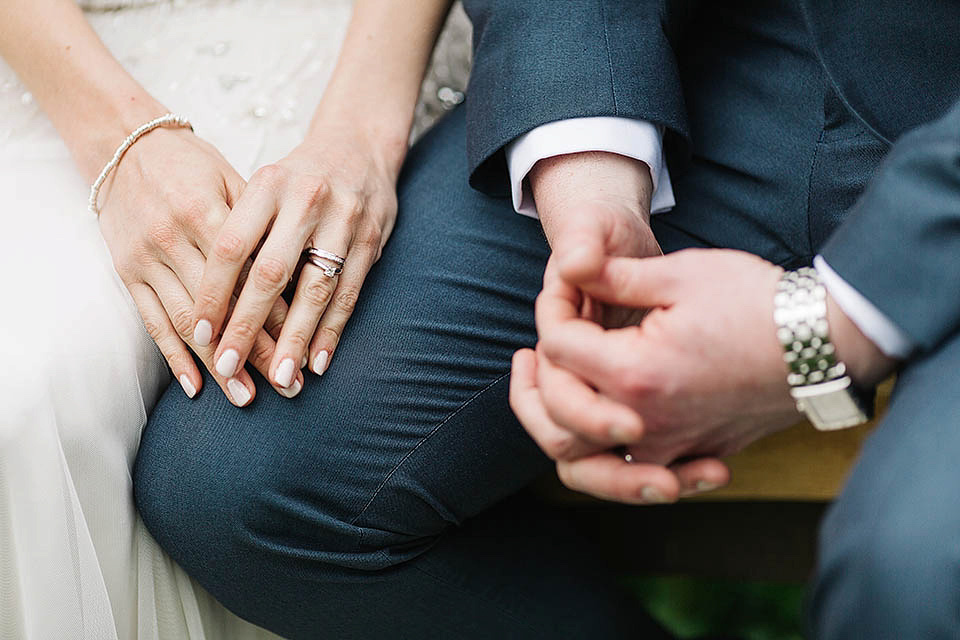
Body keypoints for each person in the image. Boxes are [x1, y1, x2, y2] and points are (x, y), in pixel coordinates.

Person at [0, 0, 467, 637]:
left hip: (344, 52)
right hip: (51, 58)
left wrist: (362, 131)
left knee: (41, 397)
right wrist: (124, 143)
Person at [507, 2, 960, 639]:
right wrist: (592, 196)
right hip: (709, 62)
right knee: (324, 468)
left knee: (912, 579)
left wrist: (822, 334)